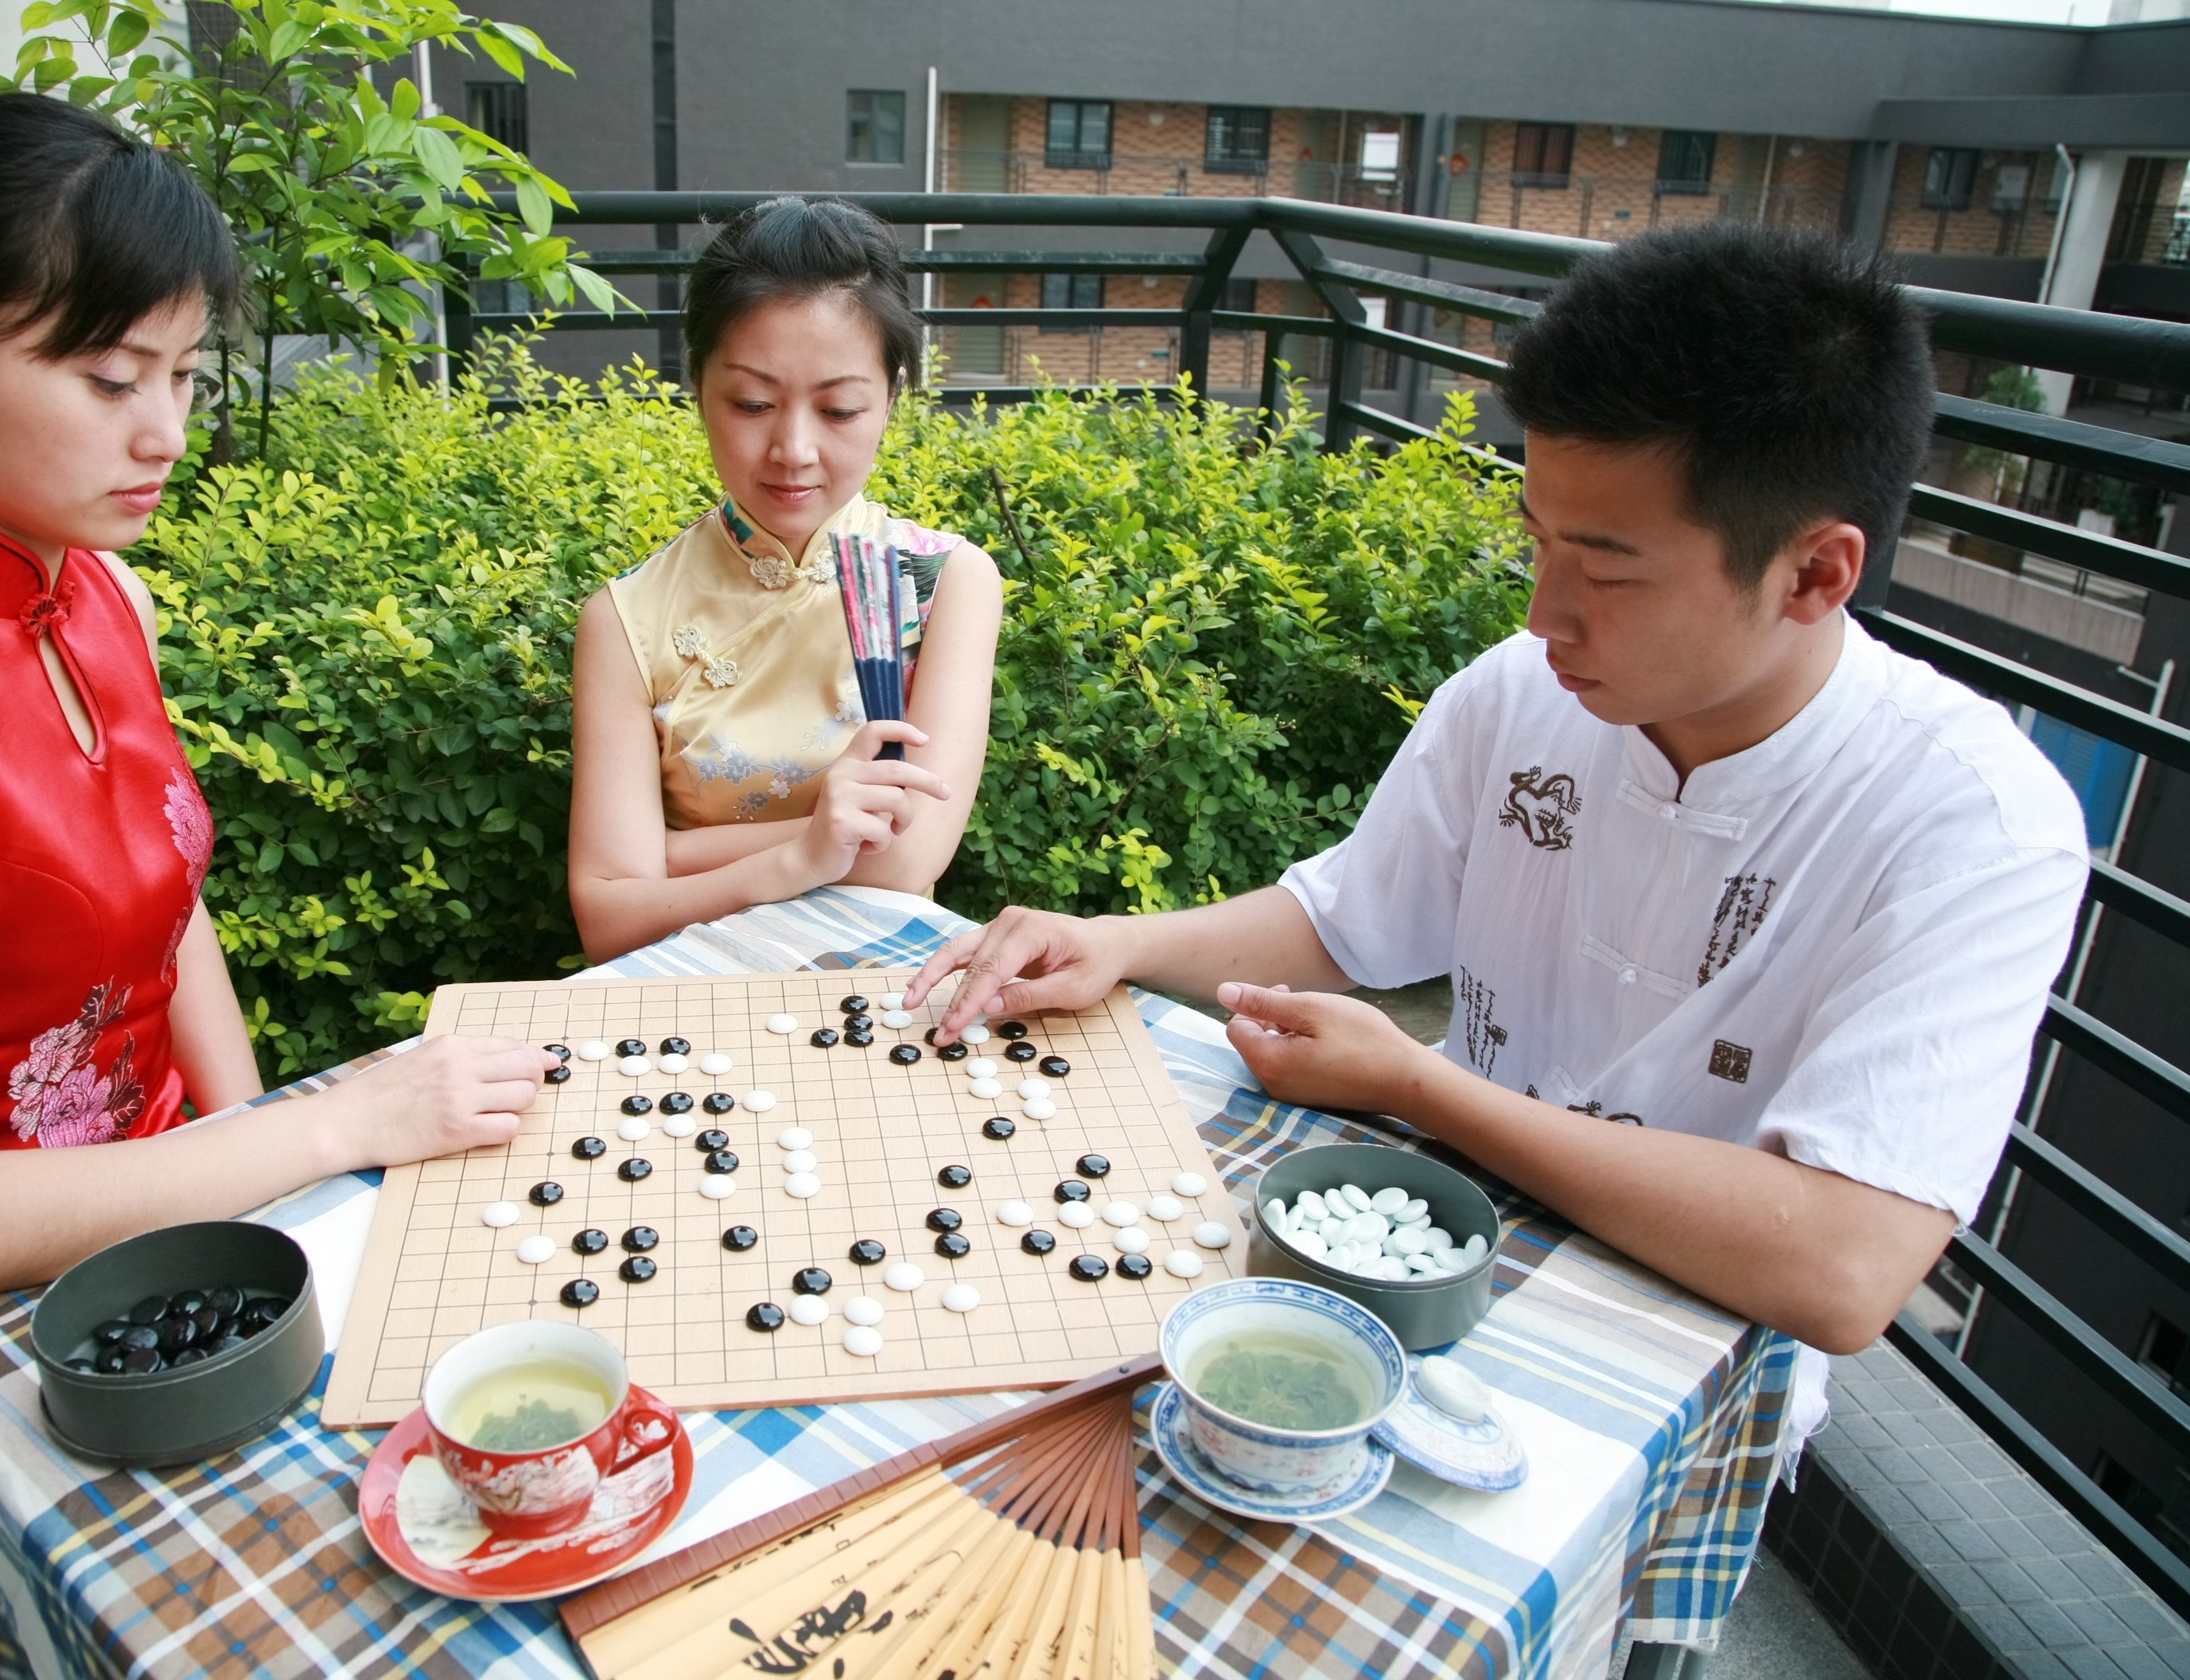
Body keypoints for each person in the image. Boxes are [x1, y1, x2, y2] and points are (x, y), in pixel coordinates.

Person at [906, 223, 2087, 1439]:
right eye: (1537, 540)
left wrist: (1424, 1088)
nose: (1544, 612)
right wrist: (1122, 942)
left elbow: (1845, 1264)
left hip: (1673, 1373)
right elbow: (1348, 918)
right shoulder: (1524, 692)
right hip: (1419, 1257)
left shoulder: (1974, 825)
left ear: (1816, 575)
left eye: (1609, 572)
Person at [0, 94, 546, 1316]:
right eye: (109, 380)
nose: (166, 434)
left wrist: (274, 1177)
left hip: (175, 1226)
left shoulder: (104, 600)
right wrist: (325, 1130)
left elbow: (170, 914)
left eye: (184, 376)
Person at [566, 197, 1003, 962]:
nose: (793, 448)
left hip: (881, 993)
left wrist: (665, 859)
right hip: (684, 1001)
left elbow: (903, 862)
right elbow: (608, 920)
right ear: (698, 388)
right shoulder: (626, 617)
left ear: (890, 400)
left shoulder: (945, 584)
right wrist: (807, 852)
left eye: (838, 409)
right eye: (753, 403)